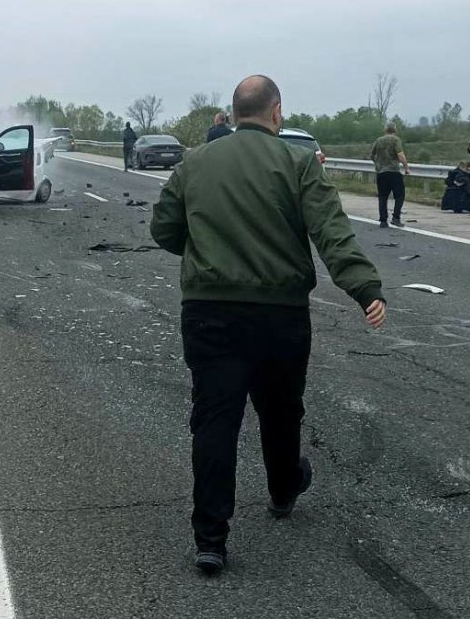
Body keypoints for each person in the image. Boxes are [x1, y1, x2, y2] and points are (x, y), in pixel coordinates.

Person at [150, 75, 386, 575]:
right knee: (281, 412)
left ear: (234, 113)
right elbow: (331, 232)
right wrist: (364, 289)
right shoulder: (298, 162)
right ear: (276, 112)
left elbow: (164, 228)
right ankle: (283, 490)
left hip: (210, 311)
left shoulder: (195, 163)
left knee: (215, 419)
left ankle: (210, 538)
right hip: (280, 314)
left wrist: (206, 252)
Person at [370, 123, 410, 228]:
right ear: (394, 130)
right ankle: (396, 218)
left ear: (385, 130)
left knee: (383, 196)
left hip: (381, 172)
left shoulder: (378, 140)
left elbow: (372, 155)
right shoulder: (396, 140)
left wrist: (378, 164)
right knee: (400, 195)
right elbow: (400, 155)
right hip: (393, 171)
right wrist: (406, 167)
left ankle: (383, 220)